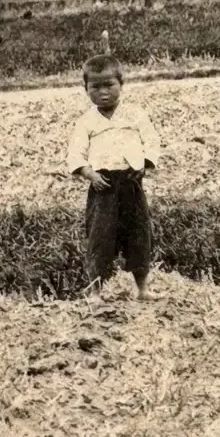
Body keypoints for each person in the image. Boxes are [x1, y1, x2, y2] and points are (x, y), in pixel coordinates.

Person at [66, 55, 160, 300]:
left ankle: (142, 288)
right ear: (85, 89)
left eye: (109, 85)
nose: (103, 92)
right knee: (100, 238)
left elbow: (151, 142)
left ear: (121, 83)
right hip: (103, 187)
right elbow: (75, 155)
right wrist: (90, 175)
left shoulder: (135, 114)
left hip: (131, 182)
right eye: (95, 87)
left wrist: (145, 164)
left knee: (138, 234)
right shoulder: (86, 122)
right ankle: (96, 290)